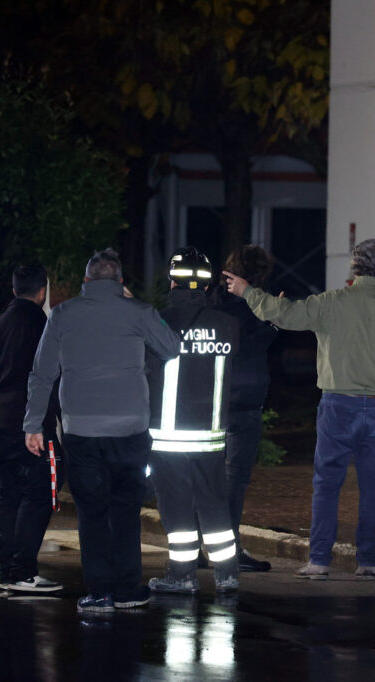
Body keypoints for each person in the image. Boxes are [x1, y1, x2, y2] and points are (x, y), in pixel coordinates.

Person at [223, 238, 375, 580]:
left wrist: (248, 292)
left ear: (354, 266)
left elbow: (285, 314)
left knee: (326, 485)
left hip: (339, 405)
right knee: (372, 487)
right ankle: (367, 562)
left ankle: (320, 560)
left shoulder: (333, 301)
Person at [24, 248, 182, 612]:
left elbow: (42, 373)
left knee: (92, 511)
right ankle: (127, 589)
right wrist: (136, 304)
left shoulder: (62, 314)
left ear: (86, 281)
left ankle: (98, 591)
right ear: (121, 282)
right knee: (125, 510)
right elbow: (171, 348)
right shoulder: (139, 312)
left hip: (81, 432)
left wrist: (32, 424)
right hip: (130, 431)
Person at [146, 246, 241, 595]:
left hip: (168, 438)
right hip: (212, 437)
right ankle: (227, 572)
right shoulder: (227, 325)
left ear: (172, 281)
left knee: (176, 506)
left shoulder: (157, 322)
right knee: (214, 502)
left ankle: (182, 574)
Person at [0, 265, 63, 594]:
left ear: (14, 291)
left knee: (7, 498)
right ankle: (23, 570)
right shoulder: (44, 326)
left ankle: (9, 570)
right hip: (32, 421)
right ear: (42, 291)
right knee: (41, 493)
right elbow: (49, 377)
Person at [214, 245, 280, 573]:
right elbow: (252, 343)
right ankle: (228, 550)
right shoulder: (253, 306)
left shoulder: (212, 301)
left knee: (208, 477)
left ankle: (203, 546)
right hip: (244, 400)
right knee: (234, 479)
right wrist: (274, 322)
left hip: (212, 399)